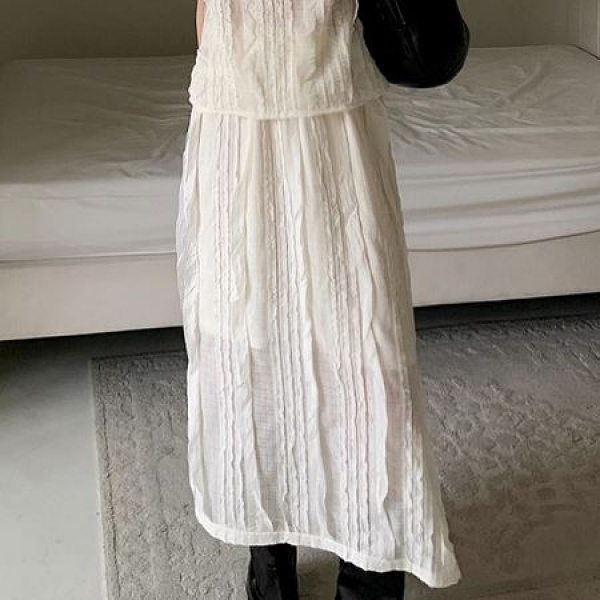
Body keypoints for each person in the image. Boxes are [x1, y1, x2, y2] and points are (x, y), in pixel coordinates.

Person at [175, 1, 463, 598]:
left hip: (288, 109)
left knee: (270, 347)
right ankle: (305, 565)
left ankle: (302, 569)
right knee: (322, 347)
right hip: (269, 107)